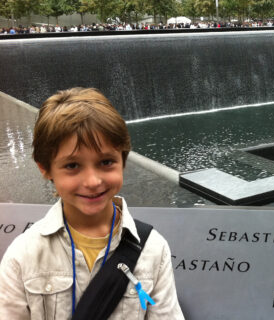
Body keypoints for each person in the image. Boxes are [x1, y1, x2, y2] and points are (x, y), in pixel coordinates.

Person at [0, 88, 184, 319]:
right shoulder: (23, 255)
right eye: (72, 166)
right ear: (45, 169)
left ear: (123, 160)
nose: (93, 181)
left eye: (106, 162)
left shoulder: (154, 249)